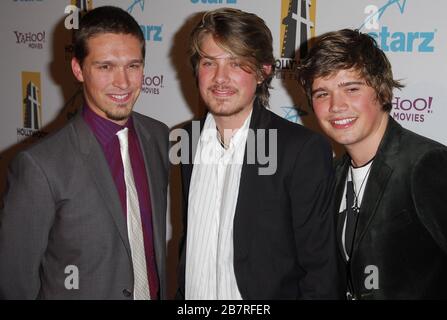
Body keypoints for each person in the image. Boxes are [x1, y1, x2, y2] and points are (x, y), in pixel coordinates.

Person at [0, 6, 169, 299]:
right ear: (78, 69)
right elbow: (15, 284)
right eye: (105, 67)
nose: (123, 82)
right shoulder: (39, 166)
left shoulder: (158, 137)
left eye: (133, 65)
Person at [176, 8, 341, 300]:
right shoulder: (185, 141)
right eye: (209, 63)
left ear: (264, 71)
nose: (220, 78)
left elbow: (321, 273)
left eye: (237, 63)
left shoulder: (300, 151)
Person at [299, 28, 447, 299]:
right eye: (322, 94)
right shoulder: (333, 176)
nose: (336, 105)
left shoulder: (426, 163)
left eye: (351, 89)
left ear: (382, 91)